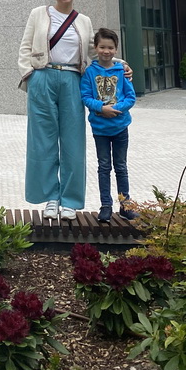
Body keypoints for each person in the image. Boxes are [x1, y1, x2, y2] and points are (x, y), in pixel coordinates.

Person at [17, 0, 96, 221]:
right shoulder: (39, 14)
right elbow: (26, 46)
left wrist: (119, 64)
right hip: (43, 77)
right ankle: (51, 197)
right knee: (43, 141)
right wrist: (29, 74)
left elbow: (95, 54)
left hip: (73, 79)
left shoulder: (84, 21)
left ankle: (70, 200)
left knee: (73, 141)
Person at [80, 27, 136, 223]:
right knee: (104, 167)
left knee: (121, 166)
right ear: (95, 47)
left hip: (120, 127)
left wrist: (117, 108)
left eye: (110, 47)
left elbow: (131, 97)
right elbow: (85, 96)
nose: (106, 51)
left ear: (116, 49)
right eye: (102, 47)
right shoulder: (89, 72)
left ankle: (125, 205)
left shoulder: (122, 71)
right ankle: (105, 205)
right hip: (100, 129)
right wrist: (102, 108)